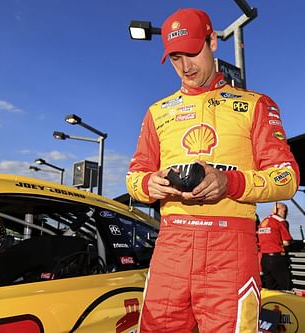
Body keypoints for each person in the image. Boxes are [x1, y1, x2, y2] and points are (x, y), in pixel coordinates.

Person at [125, 8, 300, 333]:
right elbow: (134, 178)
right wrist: (153, 184)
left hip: (230, 249)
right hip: (171, 246)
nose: (185, 67)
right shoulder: (157, 112)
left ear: (213, 42)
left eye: (192, 53)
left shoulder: (255, 105)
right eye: (175, 58)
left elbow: (286, 177)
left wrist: (229, 182)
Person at [258, 202, 293, 290]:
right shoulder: (280, 221)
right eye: (285, 211)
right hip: (277, 259)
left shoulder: (263, 222)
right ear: (281, 210)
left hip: (264, 259)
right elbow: (286, 242)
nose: (286, 214)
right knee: (285, 288)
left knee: (270, 288)